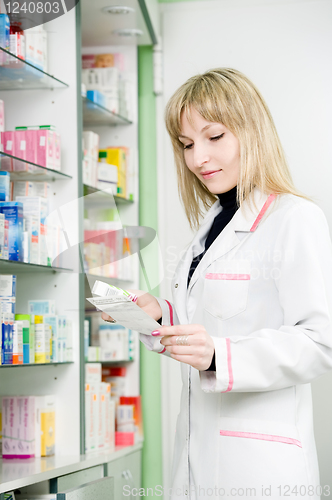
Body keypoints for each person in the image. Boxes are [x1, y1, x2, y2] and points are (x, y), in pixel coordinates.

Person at [103, 68, 332, 499]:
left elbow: (320, 342)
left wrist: (218, 356)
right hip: (196, 453)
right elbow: (214, 317)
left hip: (260, 467)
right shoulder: (211, 226)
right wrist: (158, 314)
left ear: (252, 131)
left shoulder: (294, 218)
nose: (197, 158)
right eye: (187, 145)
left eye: (214, 137)